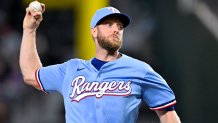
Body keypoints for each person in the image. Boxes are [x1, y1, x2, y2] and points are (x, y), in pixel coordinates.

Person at [19, 2, 181, 123]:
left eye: (119, 26)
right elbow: (30, 75)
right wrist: (29, 30)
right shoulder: (71, 69)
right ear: (94, 31)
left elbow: (167, 113)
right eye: (108, 24)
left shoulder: (140, 70)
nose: (116, 29)